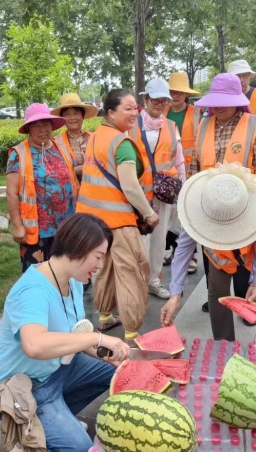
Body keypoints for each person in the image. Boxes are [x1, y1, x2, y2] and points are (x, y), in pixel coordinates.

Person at [0, 213, 130, 452]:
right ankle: (27, 427)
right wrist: (98, 337)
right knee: (81, 447)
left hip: (58, 370)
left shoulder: (73, 280)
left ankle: (57, 417)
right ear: (78, 247)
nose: (101, 265)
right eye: (98, 257)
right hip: (26, 388)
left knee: (117, 371)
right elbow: (34, 345)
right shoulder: (33, 290)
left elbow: (75, 333)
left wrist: (109, 354)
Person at [161, 74, 256, 343]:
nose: (219, 107)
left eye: (225, 102)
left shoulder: (255, 125)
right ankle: (223, 348)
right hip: (212, 213)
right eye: (215, 102)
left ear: (239, 101)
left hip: (251, 208)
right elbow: (193, 176)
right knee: (217, 291)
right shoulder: (203, 127)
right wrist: (175, 292)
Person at [75, 89, 158, 342]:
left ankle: (104, 316)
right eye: (128, 108)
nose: (135, 113)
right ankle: (132, 331)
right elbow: (130, 186)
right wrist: (149, 213)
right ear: (111, 113)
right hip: (119, 221)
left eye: (136, 108)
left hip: (92, 220)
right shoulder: (122, 144)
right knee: (133, 270)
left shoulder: (98, 135)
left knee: (106, 268)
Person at [6, 103, 78, 273]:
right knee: (37, 275)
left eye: (45, 124)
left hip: (65, 225)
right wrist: (17, 226)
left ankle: (63, 299)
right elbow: (11, 192)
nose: (42, 129)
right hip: (36, 230)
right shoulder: (19, 153)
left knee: (64, 271)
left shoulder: (62, 148)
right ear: (28, 128)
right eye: (36, 125)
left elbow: (74, 180)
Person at [132, 78, 185, 299]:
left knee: (159, 238)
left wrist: (183, 185)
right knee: (138, 239)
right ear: (146, 100)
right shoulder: (131, 125)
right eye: (156, 100)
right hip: (137, 194)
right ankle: (136, 283)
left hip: (163, 195)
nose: (160, 104)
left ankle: (153, 280)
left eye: (164, 101)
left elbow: (179, 159)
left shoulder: (171, 127)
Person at [164, 72, 201, 274]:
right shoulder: (165, 112)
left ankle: (191, 255)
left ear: (186, 95)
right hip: (169, 172)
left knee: (188, 213)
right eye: (172, 92)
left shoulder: (196, 113)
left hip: (190, 170)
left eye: (179, 92)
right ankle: (174, 251)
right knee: (172, 214)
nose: (176, 95)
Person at [51, 93, 99, 180]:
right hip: (70, 190)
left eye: (76, 113)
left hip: (95, 188)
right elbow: (53, 172)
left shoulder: (95, 137)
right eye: (67, 114)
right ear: (62, 118)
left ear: (82, 116)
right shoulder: (55, 142)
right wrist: (73, 171)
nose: (72, 117)